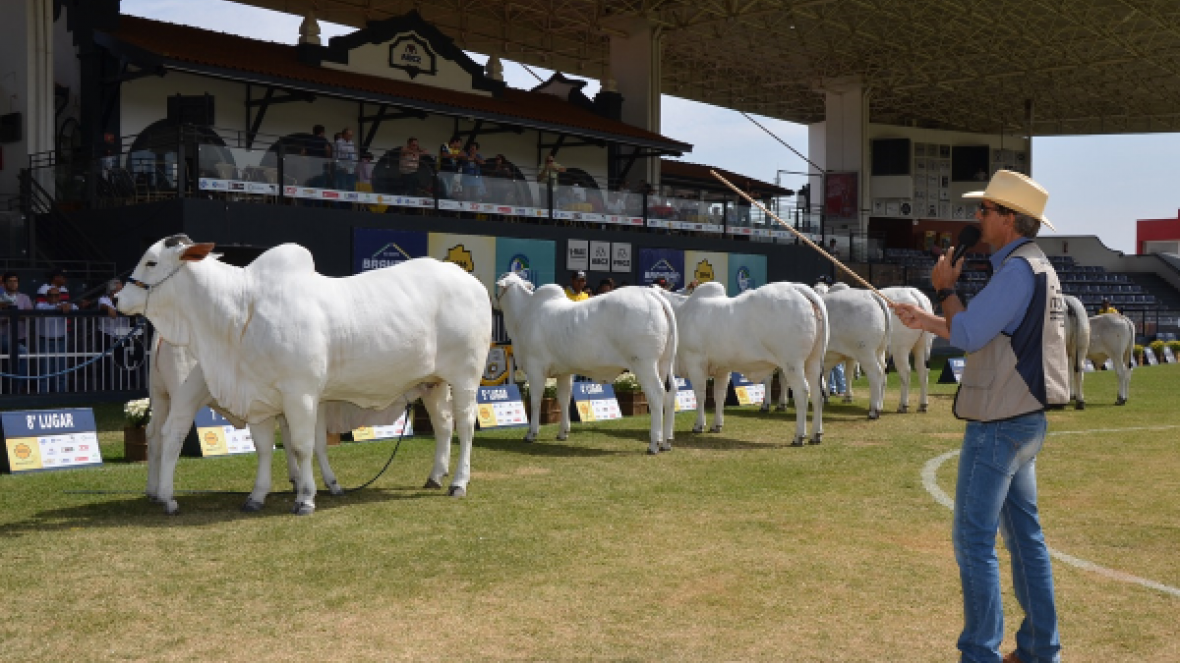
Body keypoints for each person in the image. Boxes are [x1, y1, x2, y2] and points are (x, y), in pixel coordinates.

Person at [893, 170, 1067, 663]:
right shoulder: (1035, 268)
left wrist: (946, 289)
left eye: (985, 210)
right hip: (1023, 420)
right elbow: (983, 328)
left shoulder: (1015, 272)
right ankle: (1037, 649)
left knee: (974, 542)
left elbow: (968, 334)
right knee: (1024, 538)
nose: (976, 217)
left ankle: (981, 654)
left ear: (1008, 219)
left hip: (1000, 422)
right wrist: (927, 319)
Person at [34, 287, 75, 393]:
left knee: (62, 370)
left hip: (61, 340)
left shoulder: (65, 304)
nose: (53, 298)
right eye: (51, 295)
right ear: (46, 297)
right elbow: (42, 309)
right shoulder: (41, 305)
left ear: (60, 296)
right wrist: (60, 307)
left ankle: (60, 394)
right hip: (45, 341)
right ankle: (44, 395)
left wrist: (67, 306)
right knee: (45, 370)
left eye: (56, 295)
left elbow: (76, 308)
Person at [1, 271, 32, 391]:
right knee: (20, 354)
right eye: (10, 281)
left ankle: (17, 389)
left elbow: (29, 314)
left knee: (21, 357)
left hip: (20, 336)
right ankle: (11, 389)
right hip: (3, 336)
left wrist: (14, 315)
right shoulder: (1, 297)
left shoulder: (24, 297)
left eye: (16, 281)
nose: (13, 284)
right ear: (4, 283)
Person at [334, 127, 358, 193]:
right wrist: (342, 167)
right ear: (344, 135)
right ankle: (342, 203)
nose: (351, 137)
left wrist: (355, 166)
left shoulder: (351, 143)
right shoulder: (338, 142)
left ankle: (349, 203)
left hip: (351, 169)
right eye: (349, 135)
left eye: (352, 135)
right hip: (341, 169)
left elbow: (354, 155)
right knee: (342, 187)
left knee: (351, 188)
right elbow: (336, 157)